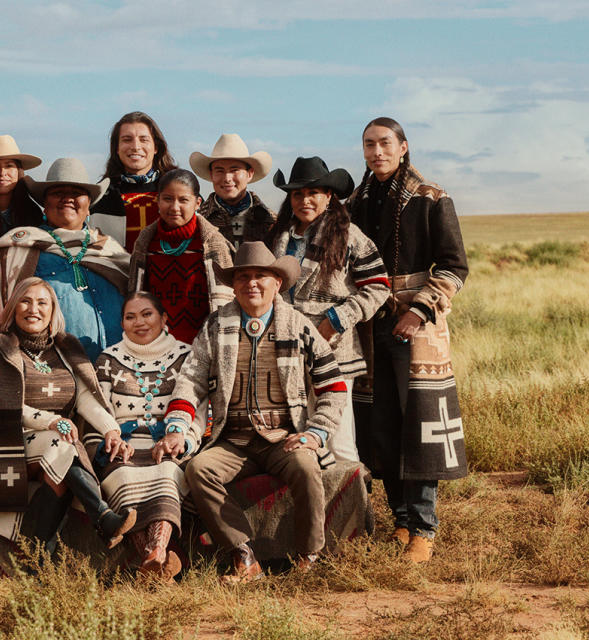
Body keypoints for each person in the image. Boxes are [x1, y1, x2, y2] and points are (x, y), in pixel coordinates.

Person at [165, 242, 348, 583]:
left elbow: (333, 387)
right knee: (200, 469)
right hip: (233, 440)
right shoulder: (216, 326)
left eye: (261, 276)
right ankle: (243, 556)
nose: (252, 283)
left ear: (277, 283)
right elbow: (191, 379)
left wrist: (315, 433)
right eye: (244, 276)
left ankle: (309, 555)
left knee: (306, 467)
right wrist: (178, 425)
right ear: (233, 285)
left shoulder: (299, 326)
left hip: (283, 437)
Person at [348, 117, 469, 563]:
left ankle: (423, 527)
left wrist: (418, 311)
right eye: (368, 145)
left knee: (420, 425)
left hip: (418, 326)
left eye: (384, 143)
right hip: (369, 326)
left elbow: (455, 266)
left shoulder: (432, 198)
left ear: (403, 147)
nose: (376, 152)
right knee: (381, 425)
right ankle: (399, 519)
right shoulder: (357, 202)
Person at [0, 277, 137, 559]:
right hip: (5, 440)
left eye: (42, 302)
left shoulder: (65, 348)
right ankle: (103, 516)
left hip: (56, 443)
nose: (33, 309)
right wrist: (50, 420)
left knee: (57, 474)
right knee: (59, 443)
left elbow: (84, 397)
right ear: (13, 308)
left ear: (52, 311)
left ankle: (36, 555)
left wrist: (111, 430)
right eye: (25, 300)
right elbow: (0, 403)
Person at [268, 156, 390, 462]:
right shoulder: (279, 238)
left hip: (334, 350)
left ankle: (354, 505)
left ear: (329, 196)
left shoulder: (349, 237)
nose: (305, 200)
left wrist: (336, 321)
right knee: (299, 434)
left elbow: (379, 286)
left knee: (338, 438)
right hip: (286, 348)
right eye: (297, 193)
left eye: (313, 193)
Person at [83, 292, 203, 579]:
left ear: (164, 318)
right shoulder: (108, 359)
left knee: (166, 473)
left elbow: (200, 410)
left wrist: (183, 440)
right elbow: (98, 409)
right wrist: (108, 439)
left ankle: (153, 556)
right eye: (130, 316)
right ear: (122, 323)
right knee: (123, 476)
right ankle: (158, 561)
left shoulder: (187, 356)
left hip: (170, 440)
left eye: (147, 314)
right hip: (122, 444)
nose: (139, 322)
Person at [0, 158, 129, 361]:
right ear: (44, 205)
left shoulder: (113, 253)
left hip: (116, 371)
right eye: (57, 193)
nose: (67, 198)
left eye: (76, 193)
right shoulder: (19, 250)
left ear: (89, 206)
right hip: (49, 374)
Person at [127, 168, 234, 345]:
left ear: (197, 203)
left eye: (183, 200)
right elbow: (136, 293)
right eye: (168, 199)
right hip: (156, 346)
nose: (175, 207)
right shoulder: (145, 244)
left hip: (204, 346)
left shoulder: (213, 244)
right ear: (158, 201)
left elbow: (226, 301)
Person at [91, 111, 178, 251]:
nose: (136, 146)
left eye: (144, 139)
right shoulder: (99, 197)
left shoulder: (179, 191)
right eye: (127, 139)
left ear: (156, 147)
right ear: (117, 149)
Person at [190, 133, 276, 249]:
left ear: (249, 174)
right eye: (220, 171)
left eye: (234, 170)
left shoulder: (272, 222)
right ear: (211, 175)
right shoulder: (197, 222)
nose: (227, 179)